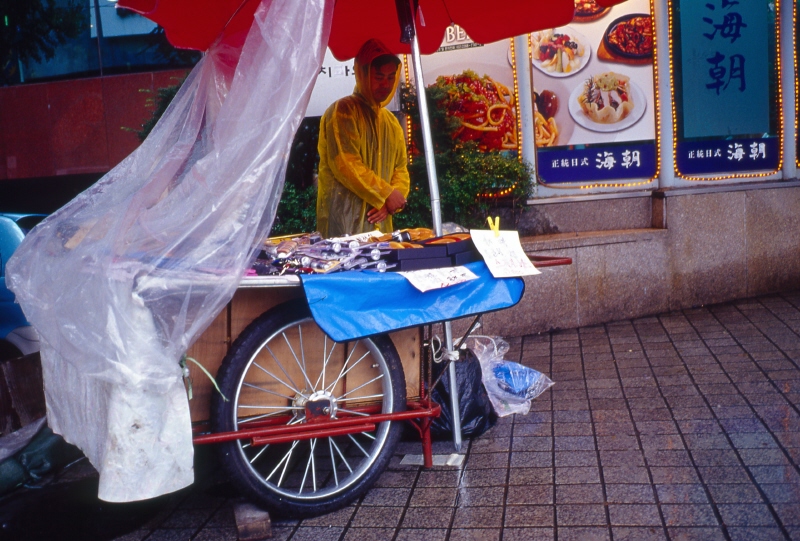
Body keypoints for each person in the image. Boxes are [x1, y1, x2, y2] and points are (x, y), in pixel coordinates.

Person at [316, 39, 410, 238]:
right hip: (344, 227)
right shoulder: (342, 112)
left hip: (382, 229)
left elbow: (400, 168)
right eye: (379, 77)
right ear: (362, 74)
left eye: (391, 77)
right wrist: (385, 195)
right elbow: (345, 163)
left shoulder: (391, 123)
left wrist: (392, 201)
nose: (385, 84)